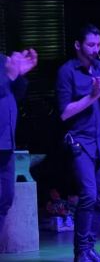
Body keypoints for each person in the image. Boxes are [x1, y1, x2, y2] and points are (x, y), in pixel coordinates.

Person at [56, 24, 100, 262]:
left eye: (99, 44)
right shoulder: (67, 72)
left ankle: (90, 247)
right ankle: (81, 252)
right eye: (91, 44)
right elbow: (64, 113)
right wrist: (92, 96)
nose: (96, 49)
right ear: (78, 45)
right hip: (80, 141)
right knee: (88, 194)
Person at [0, 49, 38, 236]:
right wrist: (10, 74)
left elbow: (15, 95)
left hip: (6, 144)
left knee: (6, 198)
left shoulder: (3, 61)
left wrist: (20, 74)